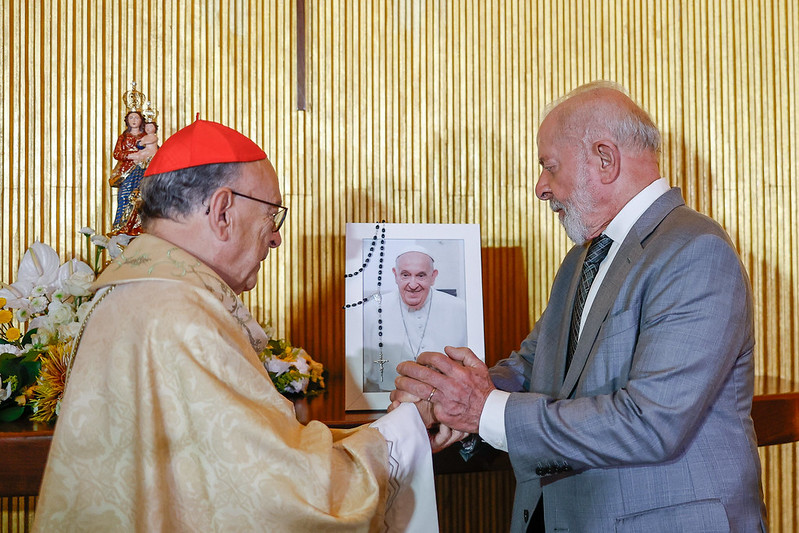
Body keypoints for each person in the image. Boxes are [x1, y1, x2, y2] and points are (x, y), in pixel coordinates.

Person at [392, 82, 767, 532]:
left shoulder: (696, 252)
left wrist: (482, 409)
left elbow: (649, 423)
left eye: (549, 167)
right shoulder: (583, 257)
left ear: (604, 160)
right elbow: (534, 367)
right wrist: (448, 396)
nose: (540, 188)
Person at [34, 119, 438, 532]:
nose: (276, 238)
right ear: (223, 211)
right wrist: (405, 429)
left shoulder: (131, 293)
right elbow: (286, 496)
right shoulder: (184, 314)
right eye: (271, 215)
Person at [363, 247, 467, 392]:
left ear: (433, 276)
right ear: (395, 275)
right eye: (405, 275)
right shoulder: (371, 310)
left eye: (421, 275)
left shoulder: (460, 309)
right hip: (387, 397)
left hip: (445, 400)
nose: (412, 285)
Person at [110, 111, 147, 230]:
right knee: (124, 196)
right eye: (131, 117)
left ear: (141, 120)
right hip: (126, 171)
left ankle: (137, 225)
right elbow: (117, 153)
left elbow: (155, 151)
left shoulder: (146, 136)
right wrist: (132, 156)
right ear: (127, 120)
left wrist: (143, 156)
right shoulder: (124, 137)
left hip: (142, 169)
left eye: (136, 117)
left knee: (140, 197)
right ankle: (121, 224)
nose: (134, 120)